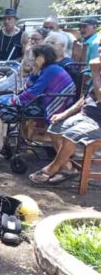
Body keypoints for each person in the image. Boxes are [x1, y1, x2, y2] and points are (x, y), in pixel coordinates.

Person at [0, 44, 76, 154]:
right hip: (43, 102)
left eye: (35, 57)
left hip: (47, 107)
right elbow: (29, 87)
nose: (32, 60)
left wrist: (13, 101)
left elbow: (32, 93)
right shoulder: (48, 69)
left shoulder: (51, 71)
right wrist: (34, 72)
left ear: (42, 58)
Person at [29, 57, 101, 186]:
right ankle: (68, 168)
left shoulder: (96, 72)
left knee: (71, 135)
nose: (99, 54)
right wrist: (63, 114)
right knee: (54, 128)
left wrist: (95, 73)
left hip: (98, 122)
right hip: (87, 116)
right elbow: (85, 99)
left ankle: (52, 168)